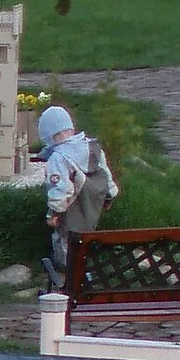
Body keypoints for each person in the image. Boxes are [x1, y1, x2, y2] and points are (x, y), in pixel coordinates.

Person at [38, 103, 119, 288]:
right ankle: (84, 279)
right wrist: (109, 197)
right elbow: (106, 177)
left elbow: (60, 191)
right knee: (83, 246)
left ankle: (71, 288)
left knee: (63, 248)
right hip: (92, 211)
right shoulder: (94, 149)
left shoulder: (58, 158)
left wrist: (53, 214)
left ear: (49, 136)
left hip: (71, 216)